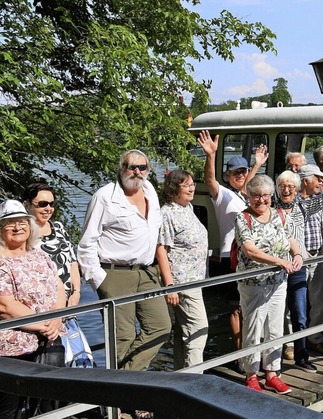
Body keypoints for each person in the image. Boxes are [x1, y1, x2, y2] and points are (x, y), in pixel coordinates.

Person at [77, 150, 171, 372]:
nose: (137, 172)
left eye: (142, 167)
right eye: (131, 167)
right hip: (115, 274)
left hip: (147, 273)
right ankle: (128, 399)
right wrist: (100, 281)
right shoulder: (105, 197)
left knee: (161, 327)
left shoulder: (150, 192)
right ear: (121, 169)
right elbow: (86, 243)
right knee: (123, 337)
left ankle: (125, 383)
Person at [197, 130, 267, 374]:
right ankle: (241, 356)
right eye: (236, 173)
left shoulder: (246, 195)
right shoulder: (223, 195)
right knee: (236, 308)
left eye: (244, 172)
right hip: (230, 258)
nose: (241, 176)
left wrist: (256, 165)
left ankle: (252, 352)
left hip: (250, 257)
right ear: (228, 176)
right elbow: (210, 182)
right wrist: (210, 156)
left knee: (252, 306)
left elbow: (248, 186)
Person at [235, 175, 302, 393]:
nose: (262, 200)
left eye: (265, 195)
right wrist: (280, 261)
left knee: (275, 327)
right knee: (253, 328)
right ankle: (251, 374)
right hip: (254, 282)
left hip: (278, 282)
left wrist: (298, 254)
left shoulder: (280, 215)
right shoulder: (243, 218)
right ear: (249, 196)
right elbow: (250, 250)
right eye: (256, 196)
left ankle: (273, 371)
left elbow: (291, 238)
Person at [0, 200, 66, 418]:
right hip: (14, 347)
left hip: (50, 338)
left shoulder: (39, 254)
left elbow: (59, 288)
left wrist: (57, 319)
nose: (18, 227)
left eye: (22, 222)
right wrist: (45, 324)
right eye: (10, 223)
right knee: (11, 408)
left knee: (48, 404)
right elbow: (5, 306)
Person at [156, 169, 209, 370]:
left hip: (196, 280)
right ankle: (195, 384)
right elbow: (161, 249)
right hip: (183, 282)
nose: (192, 188)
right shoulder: (167, 213)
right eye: (186, 185)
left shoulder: (187, 208)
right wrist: (170, 286)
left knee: (183, 333)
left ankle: (181, 378)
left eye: (192, 184)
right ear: (173, 188)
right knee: (198, 330)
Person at [274, 170, 316, 372]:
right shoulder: (271, 209)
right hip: (277, 268)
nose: (286, 189)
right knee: (276, 316)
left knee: (300, 315)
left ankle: (302, 356)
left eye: (290, 186)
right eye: (282, 185)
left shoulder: (303, 206)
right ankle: (274, 360)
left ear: (297, 188)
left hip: (298, 268)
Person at [22, 183, 82, 306]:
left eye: (51, 204)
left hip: (68, 304)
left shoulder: (59, 227)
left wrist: (76, 292)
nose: (48, 209)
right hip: (41, 305)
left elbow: (72, 263)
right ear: (26, 205)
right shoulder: (22, 233)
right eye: (42, 204)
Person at [297, 164, 323, 352]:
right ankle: (294, 340)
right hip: (298, 257)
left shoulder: (319, 199)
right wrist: (300, 250)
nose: (320, 182)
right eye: (316, 178)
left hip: (318, 253)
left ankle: (315, 337)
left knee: (319, 298)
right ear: (305, 181)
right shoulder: (292, 201)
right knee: (296, 299)